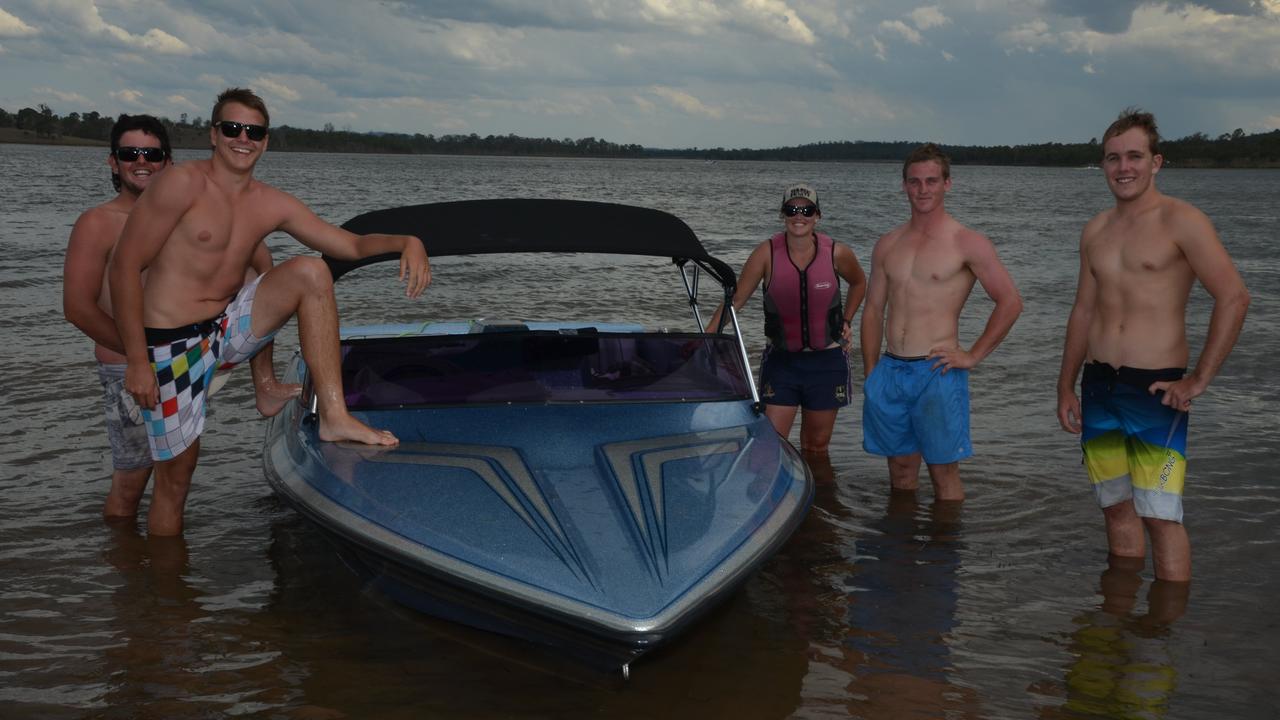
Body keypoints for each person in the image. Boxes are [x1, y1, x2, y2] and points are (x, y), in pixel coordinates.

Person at [108, 88, 431, 536]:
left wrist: (407, 242)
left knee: (310, 273)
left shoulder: (270, 203)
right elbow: (124, 266)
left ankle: (335, 417)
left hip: (224, 329)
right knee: (175, 482)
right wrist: (138, 363)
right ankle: (166, 600)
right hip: (170, 347)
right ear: (214, 135)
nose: (243, 138)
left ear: (265, 140)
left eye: (253, 131)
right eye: (232, 128)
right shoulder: (181, 184)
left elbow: (349, 245)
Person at [63, 113, 294, 520]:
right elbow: (78, 308)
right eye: (130, 153)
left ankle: (154, 571)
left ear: (167, 162)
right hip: (130, 371)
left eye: (152, 154)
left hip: (189, 357)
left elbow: (262, 268)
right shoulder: (99, 223)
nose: (142, 161)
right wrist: (144, 357)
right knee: (132, 479)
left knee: (178, 477)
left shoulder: (183, 212)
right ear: (113, 162)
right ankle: (125, 568)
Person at [1056, 109, 1249, 582]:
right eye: (1113, 158)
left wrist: (1199, 378)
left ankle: (1161, 634)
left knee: (1162, 515)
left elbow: (1234, 296)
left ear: (1156, 162)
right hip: (1100, 384)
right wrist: (1065, 386)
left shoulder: (1182, 221)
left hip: (1155, 389)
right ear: (1103, 165)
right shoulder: (1095, 231)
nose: (1123, 167)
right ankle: (1119, 617)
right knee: (1115, 507)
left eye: (1134, 157)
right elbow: (1083, 311)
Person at [860, 143, 1022, 501]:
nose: (923, 190)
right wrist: (872, 372)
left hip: (936, 370)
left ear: (947, 184)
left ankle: (945, 552)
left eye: (931, 181)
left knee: (943, 473)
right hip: (891, 370)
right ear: (903, 185)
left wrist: (973, 355)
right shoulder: (888, 244)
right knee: (899, 470)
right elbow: (872, 309)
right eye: (915, 182)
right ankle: (900, 549)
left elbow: (1010, 301)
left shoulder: (967, 243)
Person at [706, 184, 866, 453]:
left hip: (827, 362)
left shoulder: (837, 253)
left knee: (816, 446)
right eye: (792, 209)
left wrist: (847, 320)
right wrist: (707, 337)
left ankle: (821, 495)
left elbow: (860, 283)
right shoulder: (765, 253)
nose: (799, 216)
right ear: (783, 214)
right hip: (782, 363)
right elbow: (736, 301)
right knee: (772, 443)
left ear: (818, 216)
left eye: (807, 210)